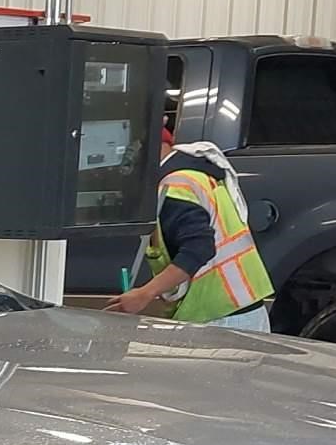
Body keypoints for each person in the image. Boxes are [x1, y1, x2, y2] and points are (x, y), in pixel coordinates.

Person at [104, 127, 274, 330]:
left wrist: (145, 294)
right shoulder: (200, 175)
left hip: (218, 319)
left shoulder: (175, 185)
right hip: (246, 312)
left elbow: (199, 249)